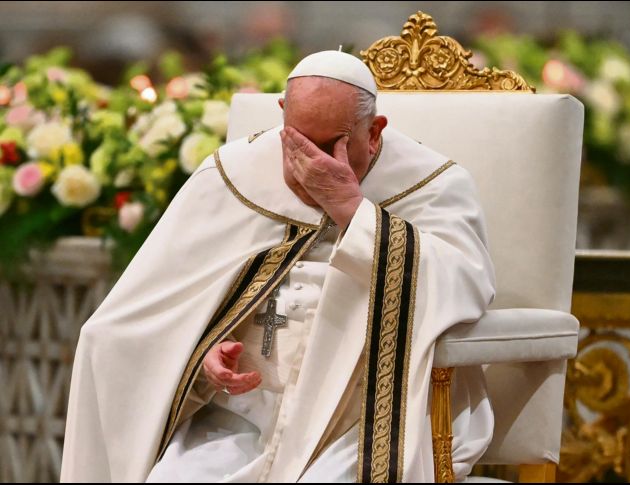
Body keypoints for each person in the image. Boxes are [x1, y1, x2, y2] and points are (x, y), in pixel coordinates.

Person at [61, 50, 495, 482]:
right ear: (282, 114)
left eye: (331, 146)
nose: (310, 166)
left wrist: (351, 209)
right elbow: (154, 316)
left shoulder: (433, 185)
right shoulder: (234, 174)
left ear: (375, 132)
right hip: (241, 418)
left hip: (355, 421)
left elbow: (460, 287)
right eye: (296, 141)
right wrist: (200, 356)